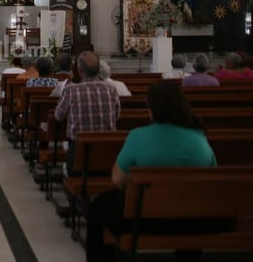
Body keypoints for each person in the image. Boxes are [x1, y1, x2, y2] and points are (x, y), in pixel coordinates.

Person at [85, 80, 217, 262]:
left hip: (145, 219)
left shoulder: (138, 136)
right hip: (190, 219)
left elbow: (117, 180)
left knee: (99, 205)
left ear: (152, 109)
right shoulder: (199, 137)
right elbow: (211, 179)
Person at [54, 51, 121, 171]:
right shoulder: (111, 90)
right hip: (108, 152)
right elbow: (117, 116)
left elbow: (58, 116)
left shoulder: (71, 90)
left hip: (79, 152)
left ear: (79, 71)